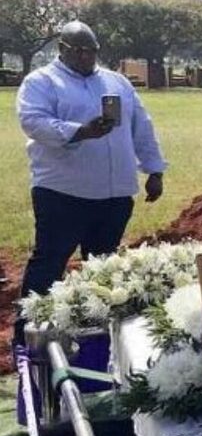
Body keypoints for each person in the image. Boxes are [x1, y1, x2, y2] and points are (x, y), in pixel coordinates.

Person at [14, 20, 166, 343]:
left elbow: (141, 125)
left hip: (114, 195)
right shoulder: (41, 81)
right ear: (62, 49)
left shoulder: (117, 82)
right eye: (79, 51)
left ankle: (94, 337)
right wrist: (80, 131)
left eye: (92, 51)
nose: (87, 57)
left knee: (103, 272)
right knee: (49, 265)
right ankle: (27, 339)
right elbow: (34, 122)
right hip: (63, 193)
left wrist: (154, 170)